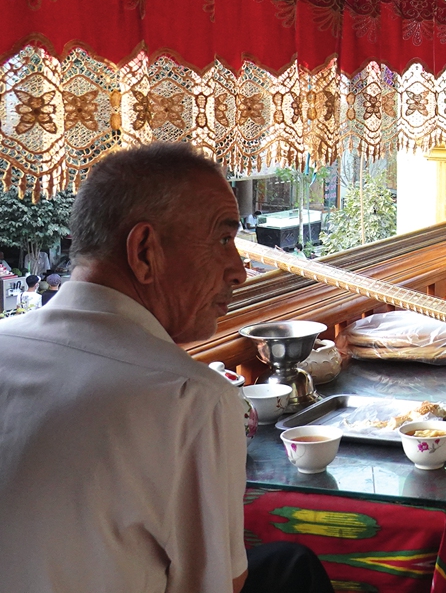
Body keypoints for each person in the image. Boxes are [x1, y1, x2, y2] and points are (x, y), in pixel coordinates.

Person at [0, 143, 333, 593]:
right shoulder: (190, 398)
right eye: (221, 239)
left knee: (288, 565)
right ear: (144, 251)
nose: (239, 270)